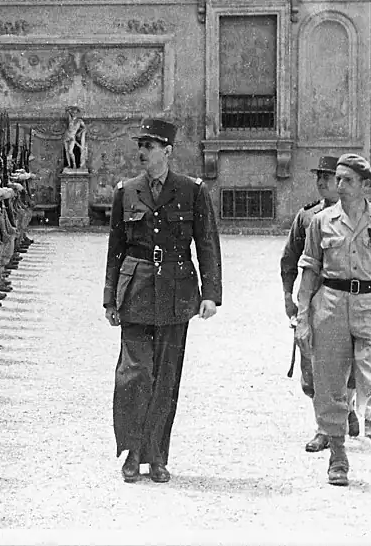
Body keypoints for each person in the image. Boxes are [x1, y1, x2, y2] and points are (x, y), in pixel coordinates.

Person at [103, 118, 222, 484]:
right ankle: (132, 452)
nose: (142, 152)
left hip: (176, 293)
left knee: (166, 377)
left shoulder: (191, 190)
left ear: (167, 151)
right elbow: (115, 249)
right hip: (136, 289)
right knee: (133, 375)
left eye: (150, 146)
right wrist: (110, 298)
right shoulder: (127, 191)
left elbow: (206, 243)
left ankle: (156, 455)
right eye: (141, 145)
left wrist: (211, 294)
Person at [294, 154, 371, 491]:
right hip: (329, 307)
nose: (339, 185)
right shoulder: (321, 221)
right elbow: (309, 271)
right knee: (329, 385)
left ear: (365, 185)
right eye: (338, 179)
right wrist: (303, 319)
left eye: (346, 180)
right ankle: (338, 456)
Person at [280, 156, 358, 452]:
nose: (323, 182)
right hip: (314, 303)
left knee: (348, 366)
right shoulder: (307, 217)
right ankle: (339, 411)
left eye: (329, 177)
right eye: (320, 177)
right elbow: (289, 260)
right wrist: (289, 296)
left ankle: (328, 425)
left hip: (348, 302)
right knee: (311, 374)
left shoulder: (359, 216)